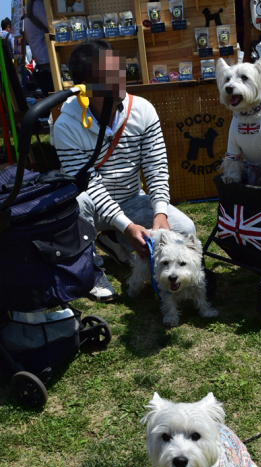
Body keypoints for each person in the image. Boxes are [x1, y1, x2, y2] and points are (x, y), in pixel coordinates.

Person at [53, 39, 195, 302]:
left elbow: (156, 165)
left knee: (185, 229)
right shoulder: (66, 124)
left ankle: (112, 238)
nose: (120, 77)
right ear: (85, 87)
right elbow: (90, 184)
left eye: (118, 68)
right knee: (79, 200)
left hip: (132, 198)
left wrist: (160, 212)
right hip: (91, 208)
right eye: (108, 74)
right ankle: (91, 267)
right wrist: (128, 227)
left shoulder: (142, 109)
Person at [24, 0, 54, 96]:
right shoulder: (37, 4)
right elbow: (52, 25)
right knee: (56, 97)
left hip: (41, 61)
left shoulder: (29, 5)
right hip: (47, 60)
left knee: (52, 98)